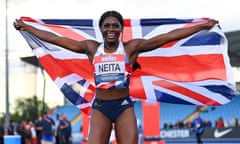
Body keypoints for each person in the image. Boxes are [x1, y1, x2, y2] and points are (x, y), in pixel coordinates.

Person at [14, 10, 218, 144]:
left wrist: (200, 27)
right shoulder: (91, 48)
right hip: (101, 108)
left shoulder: (130, 48)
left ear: (120, 29)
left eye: (115, 26)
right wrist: (28, 28)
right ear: (101, 29)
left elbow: (166, 38)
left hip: (123, 107)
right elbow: (57, 39)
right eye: (107, 26)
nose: (111, 29)